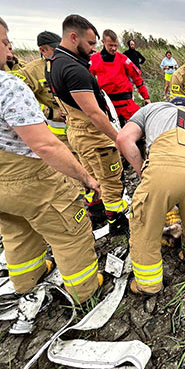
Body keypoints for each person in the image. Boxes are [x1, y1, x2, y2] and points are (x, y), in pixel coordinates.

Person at [0, 0, 101, 303]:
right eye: (4, 41)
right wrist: (85, 178)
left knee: (16, 233)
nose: (9, 51)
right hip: (30, 184)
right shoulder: (1, 84)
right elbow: (45, 144)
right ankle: (84, 290)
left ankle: (27, 279)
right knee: (70, 233)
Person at [116, 97, 185, 296]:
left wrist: (142, 172)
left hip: (163, 167)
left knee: (145, 226)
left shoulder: (153, 107)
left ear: (172, 104)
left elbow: (123, 139)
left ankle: (148, 285)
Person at [46, 15, 129, 236]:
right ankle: (117, 221)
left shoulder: (54, 63)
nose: (94, 49)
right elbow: (93, 113)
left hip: (77, 133)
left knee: (92, 176)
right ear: (74, 37)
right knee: (111, 180)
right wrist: (118, 139)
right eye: (91, 43)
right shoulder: (74, 70)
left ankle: (97, 211)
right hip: (93, 136)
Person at [14, 31, 69, 145]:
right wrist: (51, 113)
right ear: (43, 50)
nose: (59, 53)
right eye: (55, 50)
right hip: (56, 134)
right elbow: (19, 99)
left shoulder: (67, 64)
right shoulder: (31, 71)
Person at [90, 29, 150, 127]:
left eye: (115, 45)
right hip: (107, 105)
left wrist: (146, 97)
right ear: (103, 42)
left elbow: (137, 79)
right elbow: (88, 82)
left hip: (126, 105)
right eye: (111, 45)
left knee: (141, 128)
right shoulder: (94, 60)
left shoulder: (123, 59)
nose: (114, 48)